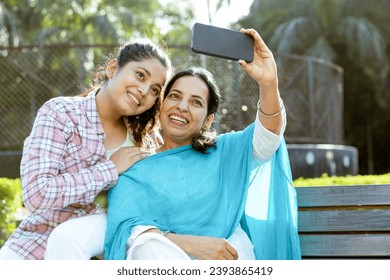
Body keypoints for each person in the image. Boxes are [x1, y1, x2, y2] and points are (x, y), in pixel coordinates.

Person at [104, 28, 301, 260]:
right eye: (175, 96)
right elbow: (129, 230)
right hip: (163, 261)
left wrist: (269, 83)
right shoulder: (136, 167)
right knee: (147, 247)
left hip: (226, 261)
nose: (182, 107)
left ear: (208, 120)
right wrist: (190, 244)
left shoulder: (225, 153)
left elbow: (268, 137)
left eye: (196, 102)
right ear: (161, 105)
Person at [0, 39, 172, 260]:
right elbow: (36, 193)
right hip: (36, 244)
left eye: (155, 90)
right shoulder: (61, 114)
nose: (144, 91)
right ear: (112, 69)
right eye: (140, 75)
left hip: (109, 247)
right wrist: (109, 170)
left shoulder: (147, 139)